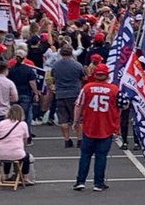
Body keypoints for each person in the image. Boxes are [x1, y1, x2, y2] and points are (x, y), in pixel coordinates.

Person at [72, 64, 120, 192]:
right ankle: (98, 183)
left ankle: (80, 181)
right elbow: (122, 105)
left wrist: (76, 121)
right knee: (101, 156)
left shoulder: (87, 88)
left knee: (85, 155)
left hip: (89, 126)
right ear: (107, 75)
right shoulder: (114, 89)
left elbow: (78, 105)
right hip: (106, 127)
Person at [50, 44, 85, 149]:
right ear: (71, 53)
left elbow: (52, 77)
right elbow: (83, 77)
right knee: (78, 118)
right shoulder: (77, 65)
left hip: (60, 94)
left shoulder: (55, 65)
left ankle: (67, 139)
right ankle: (80, 139)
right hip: (75, 93)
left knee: (63, 119)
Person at [0, 104, 33, 185]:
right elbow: (25, 139)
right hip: (16, 152)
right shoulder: (23, 124)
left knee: (7, 156)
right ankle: (25, 177)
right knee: (25, 157)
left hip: (0, 154)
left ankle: (6, 176)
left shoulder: (1, 123)